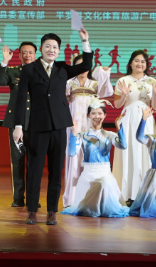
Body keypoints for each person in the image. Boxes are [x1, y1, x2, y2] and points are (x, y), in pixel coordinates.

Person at [14, 29, 92, 225]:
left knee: (56, 171)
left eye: (55, 47)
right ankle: (32, 210)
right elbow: (20, 99)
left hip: (59, 126)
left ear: (59, 51)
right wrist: (18, 126)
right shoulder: (29, 69)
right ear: (41, 49)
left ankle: (51, 211)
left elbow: (87, 65)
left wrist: (85, 41)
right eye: (47, 46)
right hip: (37, 126)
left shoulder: (62, 68)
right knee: (34, 170)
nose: (51, 50)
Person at [111, 50, 156, 204]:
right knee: (127, 152)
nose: (139, 64)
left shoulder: (152, 81)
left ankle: (143, 194)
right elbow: (117, 105)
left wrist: (155, 94)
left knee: (144, 152)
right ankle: (126, 194)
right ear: (130, 63)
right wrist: (124, 95)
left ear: (146, 64)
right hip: (128, 119)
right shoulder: (123, 80)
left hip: (146, 119)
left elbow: (155, 106)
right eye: (136, 60)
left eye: (143, 61)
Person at [61, 98, 129, 218]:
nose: (97, 116)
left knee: (105, 183)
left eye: (99, 113)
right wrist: (74, 132)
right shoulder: (83, 135)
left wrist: (118, 127)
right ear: (88, 116)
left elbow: (123, 146)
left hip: (104, 174)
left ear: (105, 115)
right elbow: (72, 153)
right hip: (87, 175)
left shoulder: (109, 135)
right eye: (93, 113)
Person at [63, 55, 113, 207]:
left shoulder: (94, 84)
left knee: (91, 156)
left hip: (91, 125)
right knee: (73, 158)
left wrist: (104, 74)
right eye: (79, 65)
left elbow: (106, 93)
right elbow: (62, 100)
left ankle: (92, 196)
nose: (83, 69)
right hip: (74, 124)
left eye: (86, 66)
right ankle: (72, 198)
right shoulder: (69, 83)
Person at [0, 42, 38, 207]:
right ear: (19, 55)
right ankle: (18, 198)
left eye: (30, 52)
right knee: (17, 161)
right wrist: (4, 61)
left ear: (36, 55)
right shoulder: (13, 71)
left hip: (36, 123)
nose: (27, 55)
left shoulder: (42, 72)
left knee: (34, 162)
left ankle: (33, 198)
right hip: (16, 122)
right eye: (24, 52)